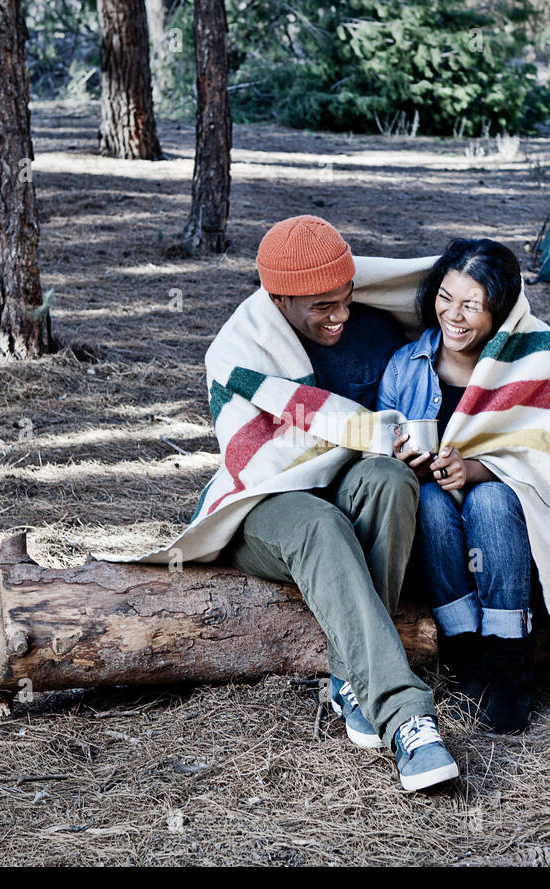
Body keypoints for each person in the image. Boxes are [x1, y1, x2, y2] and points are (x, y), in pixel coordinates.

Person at [213, 216, 460, 791]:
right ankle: (407, 717)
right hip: (266, 505)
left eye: (346, 299)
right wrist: (369, 431)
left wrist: (403, 447)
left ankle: (351, 679)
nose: (340, 316)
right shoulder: (240, 349)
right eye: (323, 306)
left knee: (391, 480)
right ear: (279, 299)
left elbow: (457, 319)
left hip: (351, 487)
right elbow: (272, 448)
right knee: (321, 524)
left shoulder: (373, 328)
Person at [377, 238, 540, 734]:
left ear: (500, 310)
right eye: (446, 297)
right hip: (437, 517)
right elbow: (379, 445)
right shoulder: (407, 366)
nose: (454, 314)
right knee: (427, 500)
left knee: (489, 500)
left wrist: (477, 471)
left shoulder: (525, 364)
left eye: (472, 305)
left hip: (512, 519)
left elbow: (549, 453)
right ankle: (464, 653)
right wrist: (405, 460)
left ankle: (510, 662)